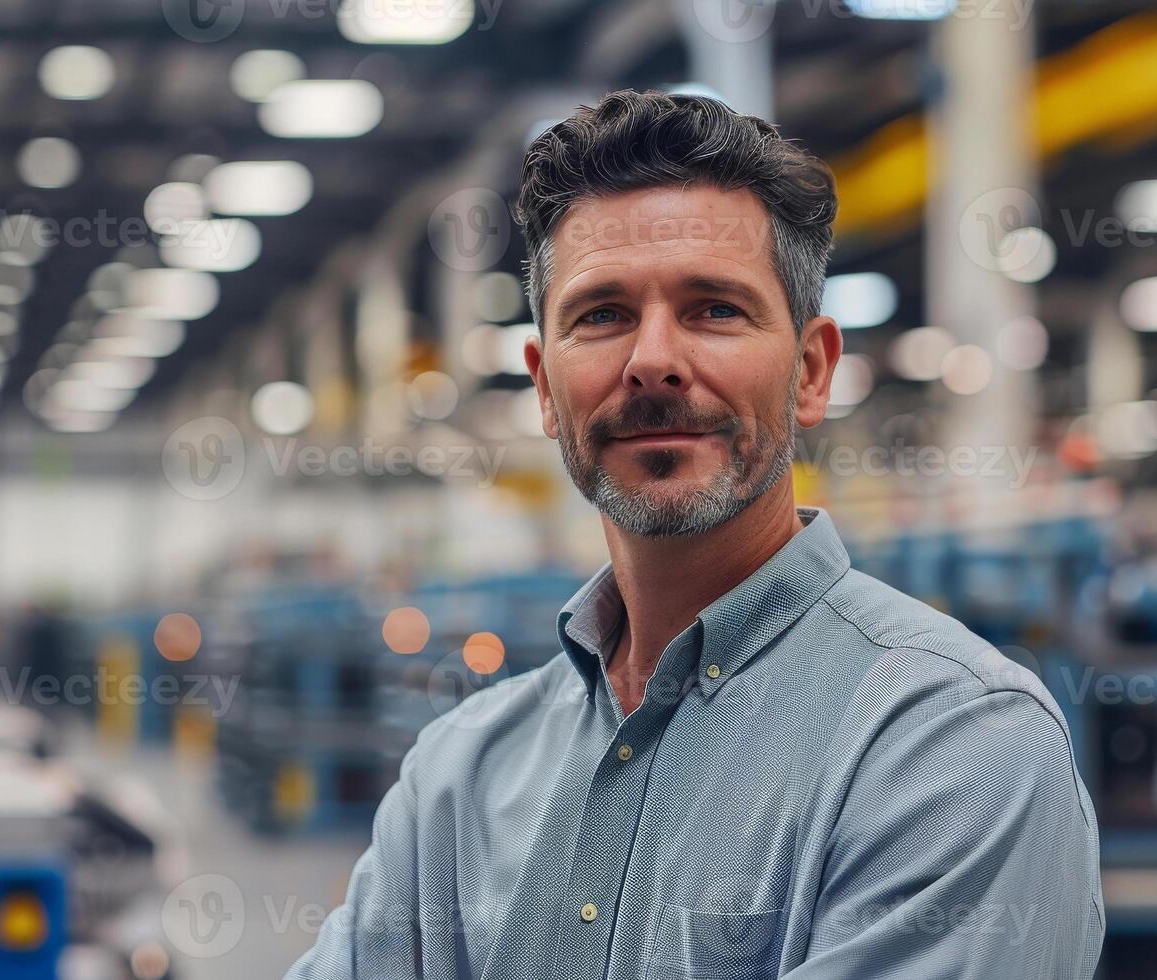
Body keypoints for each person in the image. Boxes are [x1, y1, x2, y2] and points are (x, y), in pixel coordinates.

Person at [285, 88, 1103, 980]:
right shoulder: (459, 775)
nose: (651, 361)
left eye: (715, 308)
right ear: (545, 391)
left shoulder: (951, 749)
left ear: (809, 371)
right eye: (601, 315)